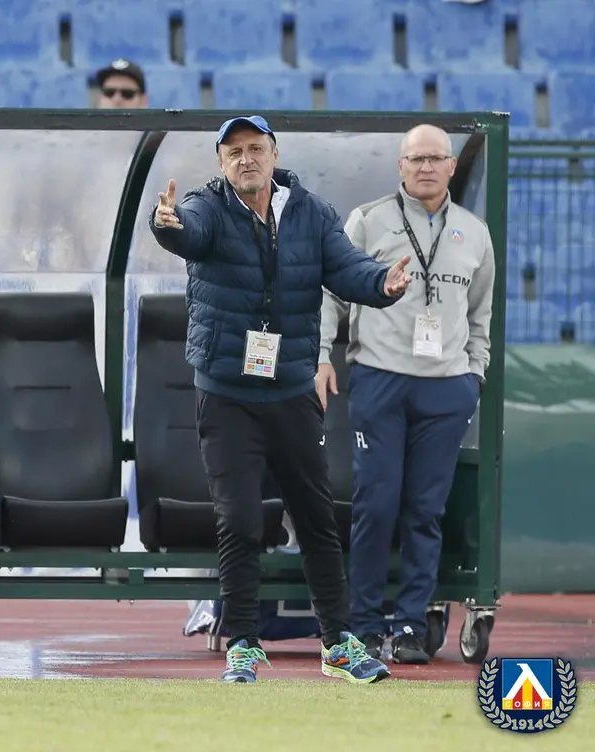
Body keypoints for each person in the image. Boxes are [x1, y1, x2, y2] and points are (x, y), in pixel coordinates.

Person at [149, 115, 413, 684]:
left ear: (274, 154)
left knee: (317, 519)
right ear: (221, 163)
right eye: (234, 152)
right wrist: (165, 224)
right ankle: (243, 643)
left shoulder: (311, 212)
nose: (246, 159)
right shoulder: (206, 206)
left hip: (292, 388)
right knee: (240, 520)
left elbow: (347, 269)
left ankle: (338, 643)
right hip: (227, 393)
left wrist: (382, 284)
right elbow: (186, 231)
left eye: (255, 148)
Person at [316, 124, 495, 664]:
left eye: (435, 158)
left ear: (451, 167)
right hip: (380, 379)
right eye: (415, 159)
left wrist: (474, 374)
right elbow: (331, 294)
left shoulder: (474, 233)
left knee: (425, 510)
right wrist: (321, 355)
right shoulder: (368, 220)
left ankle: (412, 625)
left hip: (447, 387)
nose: (425, 167)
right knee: (376, 505)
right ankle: (367, 627)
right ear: (400, 166)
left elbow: (481, 314)